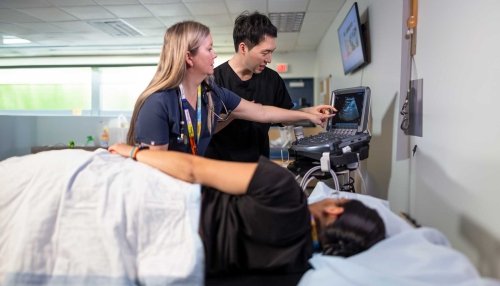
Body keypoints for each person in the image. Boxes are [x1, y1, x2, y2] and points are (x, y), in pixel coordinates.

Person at [108, 143, 386, 279]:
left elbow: (193, 170)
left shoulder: (286, 192)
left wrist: (133, 152)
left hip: (157, 208)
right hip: (162, 266)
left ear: (335, 209)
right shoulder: (294, 273)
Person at [126, 20, 333, 156]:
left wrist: (310, 114)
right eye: (209, 49)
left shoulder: (211, 92)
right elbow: (154, 170)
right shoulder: (158, 103)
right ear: (189, 57)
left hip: (202, 183)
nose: (215, 54)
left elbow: (262, 112)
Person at [206, 11, 309, 162]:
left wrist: (308, 113)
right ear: (243, 48)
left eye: (271, 52)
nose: (269, 59)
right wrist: (234, 114)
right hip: (220, 169)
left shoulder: (273, 79)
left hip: (259, 167)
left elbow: (284, 117)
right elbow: (206, 130)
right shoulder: (213, 80)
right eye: (265, 52)